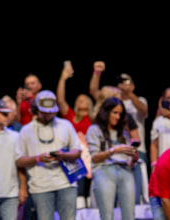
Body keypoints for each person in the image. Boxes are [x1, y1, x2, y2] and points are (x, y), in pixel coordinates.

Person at [16, 90, 82, 220]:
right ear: (36, 109)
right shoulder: (26, 130)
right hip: (40, 186)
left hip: (66, 183)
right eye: (44, 112)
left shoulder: (65, 125)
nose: (47, 115)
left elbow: (77, 152)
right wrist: (37, 158)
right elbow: (19, 161)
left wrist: (63, 155)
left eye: (51, 112)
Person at [90, 67, 150, 205]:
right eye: (116, 98)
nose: (120, 100)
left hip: (129, 159)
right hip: (106, 162)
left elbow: (136, 138)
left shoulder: (127, 115)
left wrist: (130, 148)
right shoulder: (97, 122)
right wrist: (96, 72)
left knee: (130, 200)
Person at [85, 96, 139, 220]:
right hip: (105, 170)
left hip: (125, 171)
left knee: (130, 216)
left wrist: (134, 159)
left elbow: (128, 163)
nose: (118, 117)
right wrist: (113, 150)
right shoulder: (94, 130)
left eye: (120, 114)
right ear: (106, 112)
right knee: (107, 216)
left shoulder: (123, 133)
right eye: (115, 112)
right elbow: (94, 158)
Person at [56, 60, 94, 206]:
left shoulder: (95, 117)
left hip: (92, 155)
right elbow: (60, 101)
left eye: (84, 99)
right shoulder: (72, 117)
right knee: (79, 187)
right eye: (78, 99)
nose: (80, 101)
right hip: (76, 157)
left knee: (91, 189)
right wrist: (63, 77)